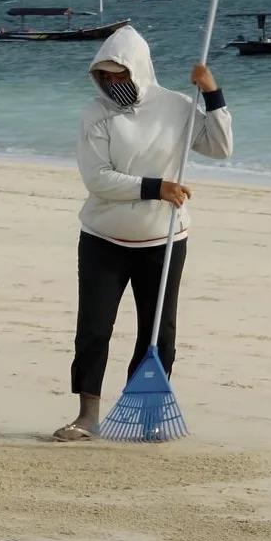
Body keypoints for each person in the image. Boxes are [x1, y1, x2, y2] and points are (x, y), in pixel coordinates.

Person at [52, 25, 233, 441]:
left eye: (121, 74)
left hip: (164, 239)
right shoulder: (94, 116)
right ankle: (88, 416)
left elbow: (219, 147)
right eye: (106, 76)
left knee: (158, 331)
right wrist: (157, 187)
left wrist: (212, 93)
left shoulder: (176, 106)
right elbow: (98, 179)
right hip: (103, 239)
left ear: (139, 70)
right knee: (94, 328)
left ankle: (147, 413)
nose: (114, 83)